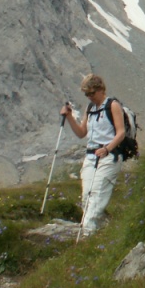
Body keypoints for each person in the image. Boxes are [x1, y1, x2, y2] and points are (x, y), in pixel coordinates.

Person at [60, 74, 125, 236]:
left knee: (97, 195)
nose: (90, 97)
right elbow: (81, 133)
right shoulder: (90, 108)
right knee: (86, 196)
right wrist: (69, 117)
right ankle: (101, 230)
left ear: (101, 89)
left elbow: (121, 132)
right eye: (86, 94)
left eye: (92, 93)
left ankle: (87, 234)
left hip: (109, 156)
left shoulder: (113, 105)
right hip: (91, 156)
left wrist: (107, 149)